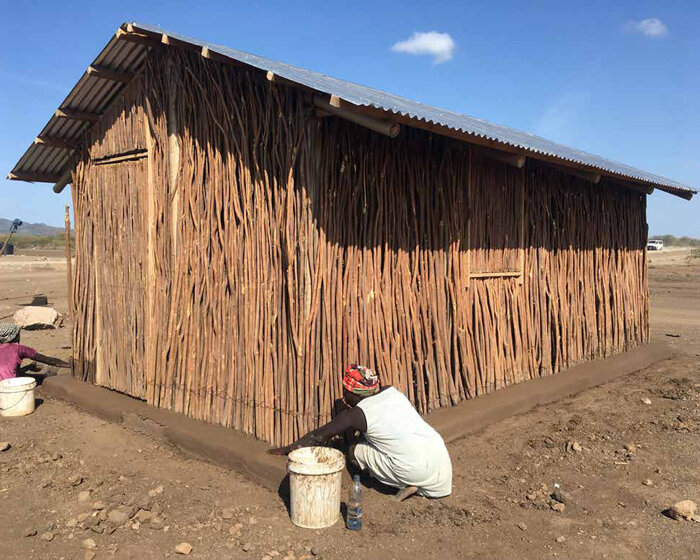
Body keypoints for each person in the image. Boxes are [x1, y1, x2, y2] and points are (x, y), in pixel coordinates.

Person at [270, 364, 452, 501]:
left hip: (413, 468)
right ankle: (413, 483)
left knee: (353, 451)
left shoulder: (356, 414)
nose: (343, 396)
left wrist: (288, 449)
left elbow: (318, 436)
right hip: (440, 457)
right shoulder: (392, 392)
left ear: (353, 393)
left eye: (345, 391)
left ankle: (391, 480)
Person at [0, 322, 70, 382]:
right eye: (18, 334)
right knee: (45, 377)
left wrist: (28, 367)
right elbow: (47, 360)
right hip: (11, 385)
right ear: (14, 336)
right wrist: (68, 365)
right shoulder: (19, 348)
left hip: (3, 384)